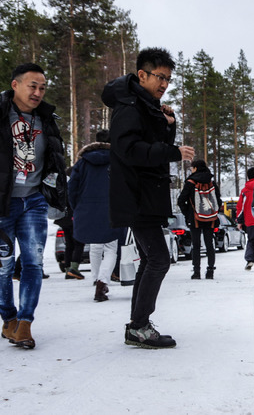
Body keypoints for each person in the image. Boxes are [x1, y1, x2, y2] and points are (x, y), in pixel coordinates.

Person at [102, 47, 194, 349]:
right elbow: (129, 151)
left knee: (150, 260)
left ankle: (137, 325)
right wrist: (172, 151)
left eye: (168, 79)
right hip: (136, 194)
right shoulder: (129, 107)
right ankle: (139, 325)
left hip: (147, 195)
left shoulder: (145, 106)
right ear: (142, 74)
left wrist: (168, 126)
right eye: (160, 77)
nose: (165, 84)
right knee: (158, 259)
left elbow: (151, 145)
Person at [0, 63, 68, 349]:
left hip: (35, 202)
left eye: (42, 87)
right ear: (15, 85)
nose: (38, 92)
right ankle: (9, 319)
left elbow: (55, 154)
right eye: (32, 86)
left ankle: (25, 323)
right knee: (2, 267)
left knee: (33, 263)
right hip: (2, 203)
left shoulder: (46, 118)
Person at [68, 129, 125, 302]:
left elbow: (72, 188)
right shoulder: (118, 160)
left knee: (95, 246)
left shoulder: (82, 163)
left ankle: (95, 278)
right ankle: (102, 281)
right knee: (110, 248)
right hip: (112, 209)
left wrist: (77, 207)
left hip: (87, 208)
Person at [177, 159, 222, 280]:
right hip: (210, 218)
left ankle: (196, 272)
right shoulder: (211, 182)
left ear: (195, 168)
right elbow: (218, 201)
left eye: (192, 168)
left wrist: (188, 213)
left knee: (196, 245)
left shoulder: (190, 182)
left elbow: (181, 200)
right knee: (209, 244)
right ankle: (210, 271)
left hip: (195, 218)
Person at [55, 167, 86, 280]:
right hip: (74, 218)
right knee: (79, 243)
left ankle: (68, 269)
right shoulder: (75, 186)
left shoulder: (63, 185)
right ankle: (74, 268)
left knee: (69, 244)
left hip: (64, 219)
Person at [237, 167, 254, 270]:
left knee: (251, 240)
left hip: (250, 221)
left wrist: (239, 221)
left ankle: (250, 259)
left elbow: (240, 207)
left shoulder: (244, 191)